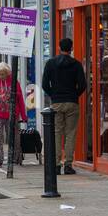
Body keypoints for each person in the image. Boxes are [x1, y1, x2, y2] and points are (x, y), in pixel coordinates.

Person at [42, 37, 87, 175]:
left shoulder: (51, 63)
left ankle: (56, 165)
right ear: (71, 48)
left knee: (56, 133)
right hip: (72, 103)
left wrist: (54, 95)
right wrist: (74, 95)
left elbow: (44, 84)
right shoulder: (76, 65)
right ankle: (68, 164)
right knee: (70, 134)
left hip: (56, 103)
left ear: (59, 48)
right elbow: (83, 85)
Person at [0, 61, 26, 169]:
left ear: (8, 73)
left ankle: (15, 158)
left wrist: (23, 115)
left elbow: (20, 99)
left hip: (12, 114)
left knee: (13, 136)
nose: (1, 76)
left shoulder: (14, 82)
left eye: (3, 74)